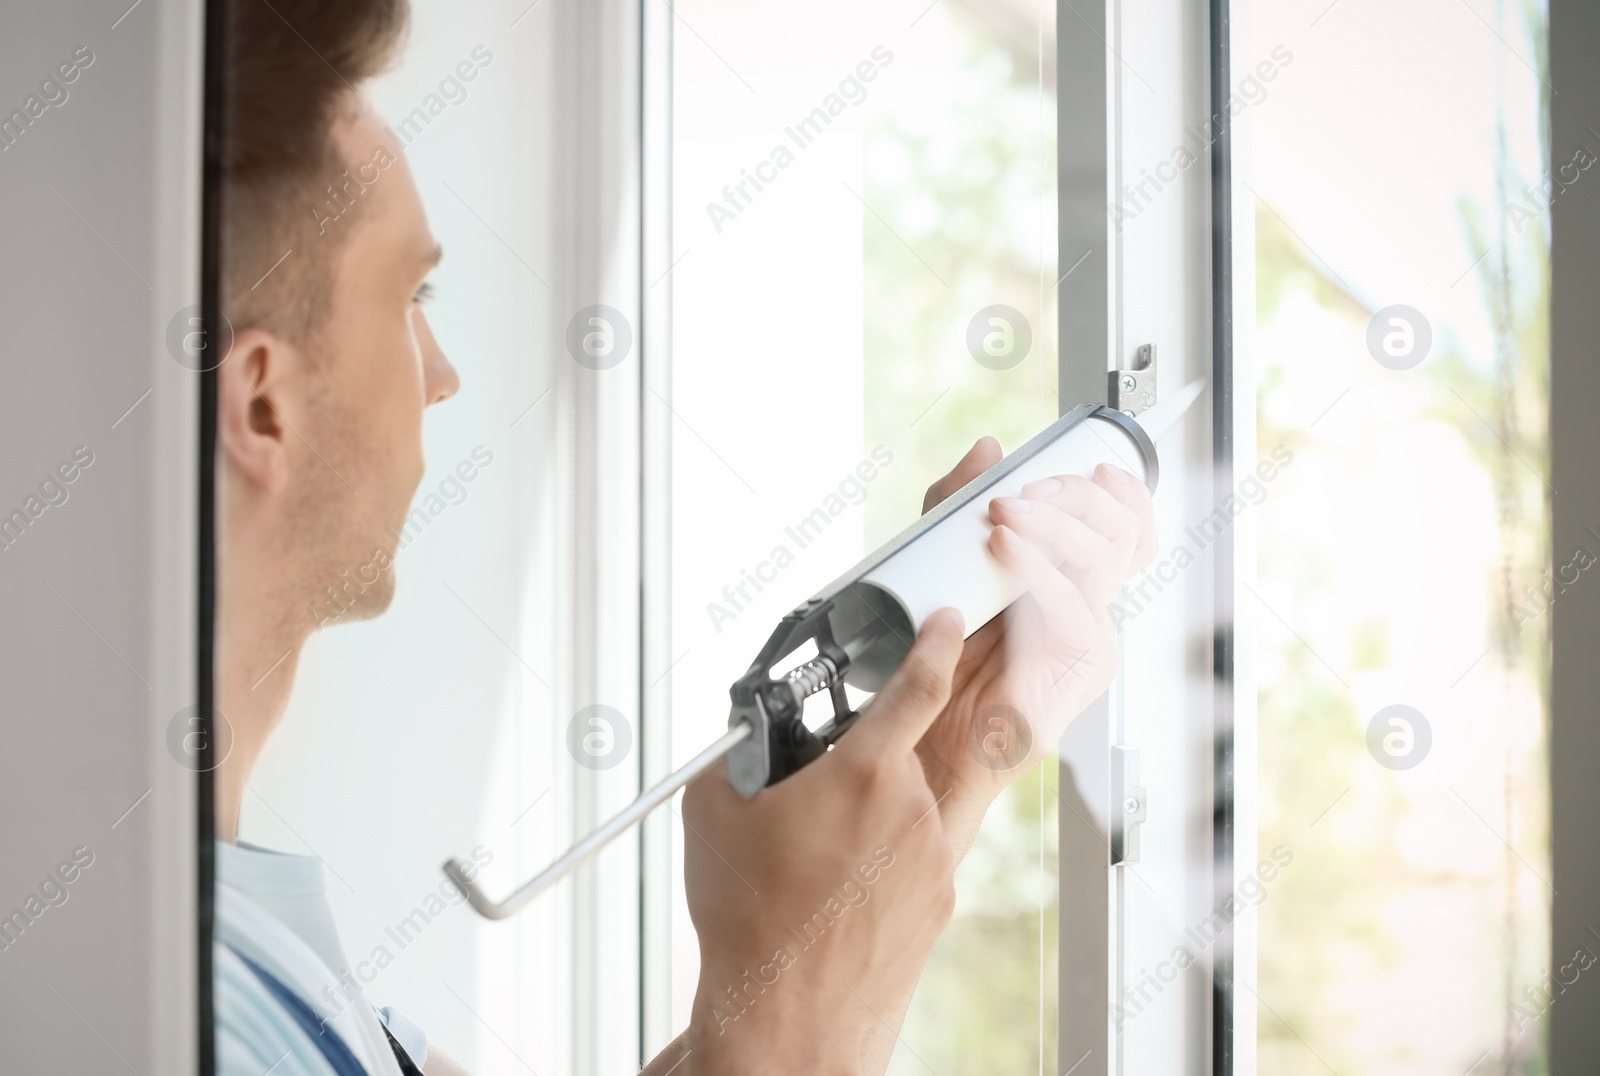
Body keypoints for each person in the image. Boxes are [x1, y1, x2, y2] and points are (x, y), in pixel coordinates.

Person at [210, 2, 1156, 1073]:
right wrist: (799, 1011)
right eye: (411, 294)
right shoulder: (180, 1006)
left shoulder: (249, 948)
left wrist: (936, 790)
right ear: (262, 405)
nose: (439, 374)